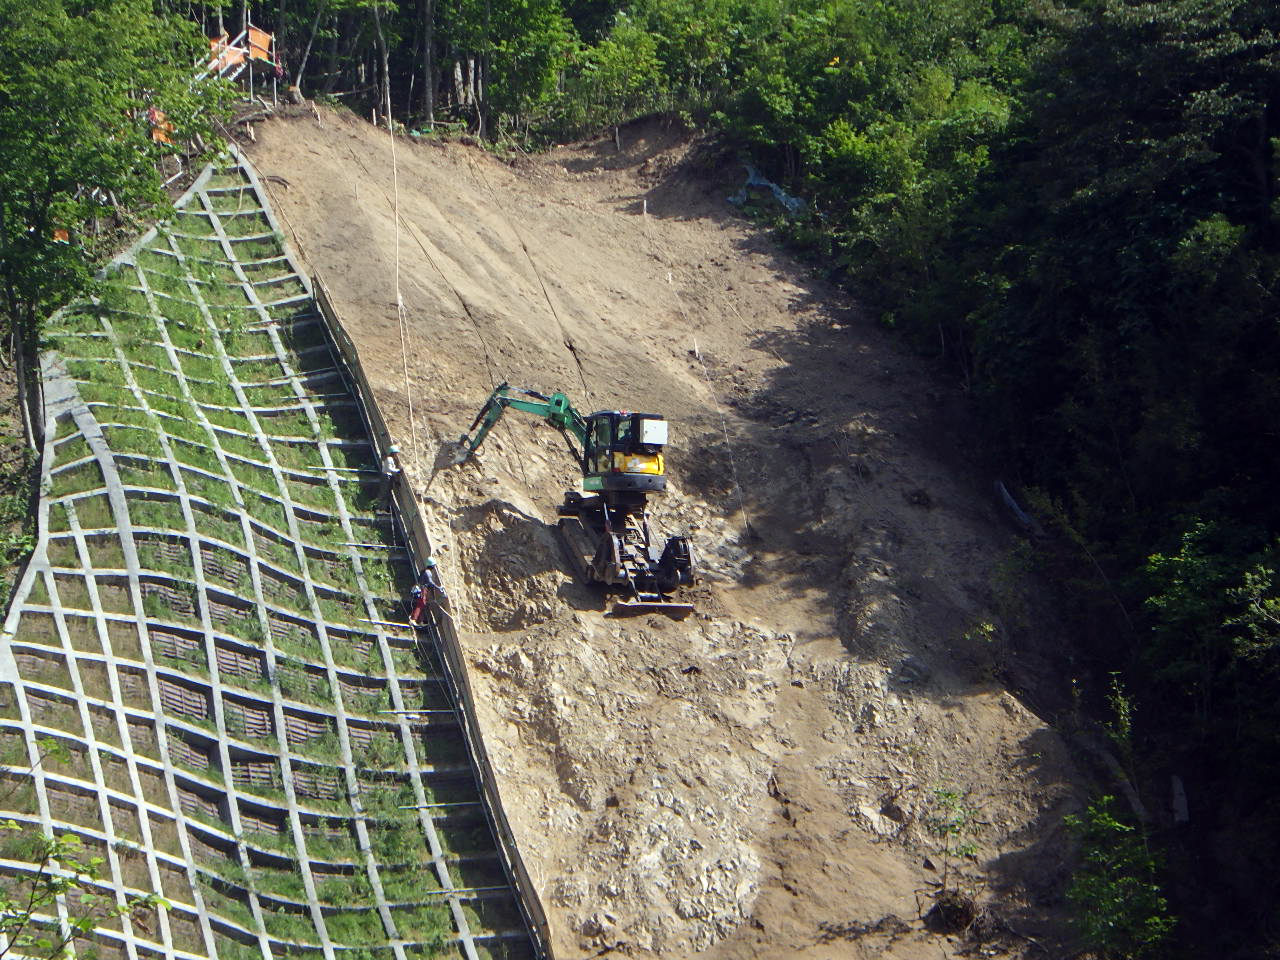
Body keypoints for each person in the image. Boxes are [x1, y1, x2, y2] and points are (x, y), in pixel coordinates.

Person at [409, 557, 447, 627]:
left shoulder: (424, 571)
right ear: (432, 566)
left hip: (421, 588)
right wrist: (439, 588)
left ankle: (420, 621)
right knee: (421, 604)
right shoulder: (428, 572)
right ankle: (413, 619)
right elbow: (430, 582)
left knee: (423, 604)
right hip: (423, 589)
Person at [379, 444, 401, 511]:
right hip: (386, 477)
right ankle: (382, 509)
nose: (396, 455)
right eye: (396, 453)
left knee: (388, 492)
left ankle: (385, 508)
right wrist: (398, 470)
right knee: (385, 492)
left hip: (388, 477)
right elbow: (389, 469)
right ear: (393, 453)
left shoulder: (391, 459)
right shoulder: (389, 459)